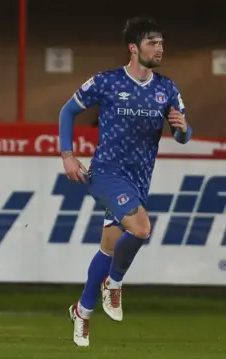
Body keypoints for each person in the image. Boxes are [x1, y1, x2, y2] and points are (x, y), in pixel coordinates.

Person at [58, 17, 192, 347]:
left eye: (161, 43)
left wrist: (182, 126)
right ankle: (114, 284)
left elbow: (183, 135)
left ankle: (82, 312)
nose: (159, 48)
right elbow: (66, 112)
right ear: (133, 48)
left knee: (108, 246)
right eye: (152, 43)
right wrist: (67, 155)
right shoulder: (106, 81)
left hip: (138, 180)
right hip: (106, 174)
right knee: (142, 228)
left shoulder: (167, 88)